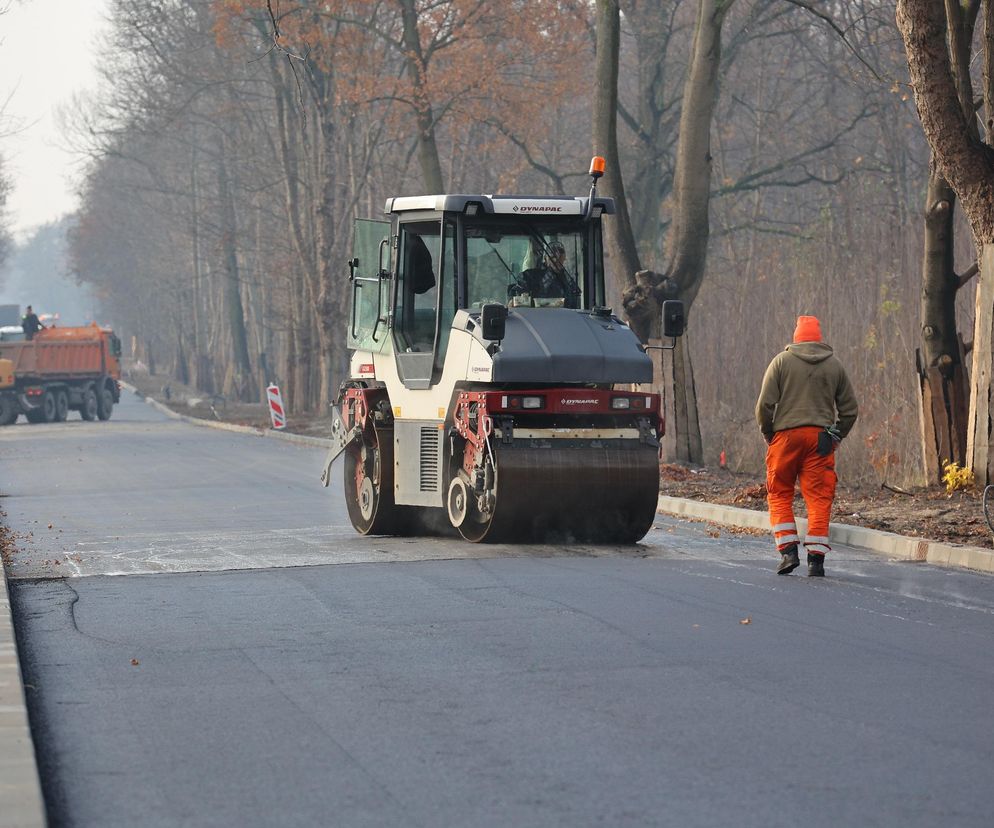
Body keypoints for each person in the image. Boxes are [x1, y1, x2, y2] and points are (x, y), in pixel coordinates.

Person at [755, 315, 858, 577]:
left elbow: (764, 405)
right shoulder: (834, 366)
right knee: (819, 498)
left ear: (796, 336)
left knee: (779, 493)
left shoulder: (781, 362)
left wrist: (769, 433)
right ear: (818, 337)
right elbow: (850, 411)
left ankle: (788, 552)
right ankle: (816, 561)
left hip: (785, 438)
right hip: (820, 439)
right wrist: (836, 435)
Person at [516, 241, 579, 305]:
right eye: (553, 257)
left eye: (560, 257)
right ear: (545, 258)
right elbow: (518, 299)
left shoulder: (568, 280)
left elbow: (574, 302)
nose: (556, 260)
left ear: (564, 259)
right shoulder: (528, 277)